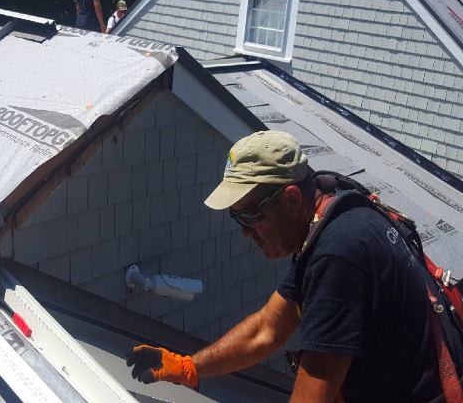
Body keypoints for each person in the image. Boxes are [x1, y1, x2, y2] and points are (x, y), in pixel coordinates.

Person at [126, 130, 462, 402]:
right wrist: (189, 367)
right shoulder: (332, 216)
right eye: (236, 217)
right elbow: (267, 329)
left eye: (251, 215)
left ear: (291, 199)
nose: (245, 231)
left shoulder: (339, 254)